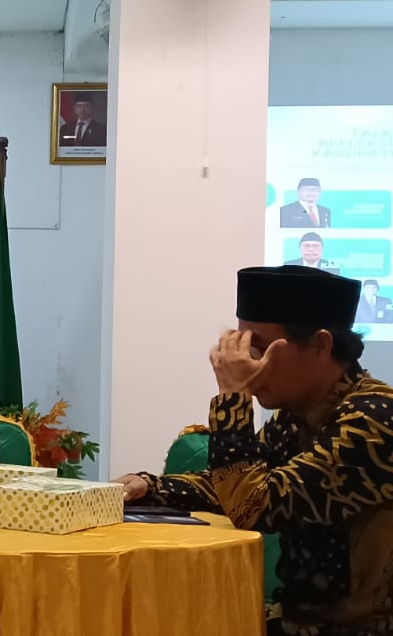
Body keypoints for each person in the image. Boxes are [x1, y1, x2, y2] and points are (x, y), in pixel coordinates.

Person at [113, 266, 393, 635]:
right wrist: (151, 486)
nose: (246, 364)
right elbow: (236, 487)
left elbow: (254, 505)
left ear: (321, 345)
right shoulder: (295, 416)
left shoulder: (375, 418)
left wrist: (234, 397)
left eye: (257, 349)